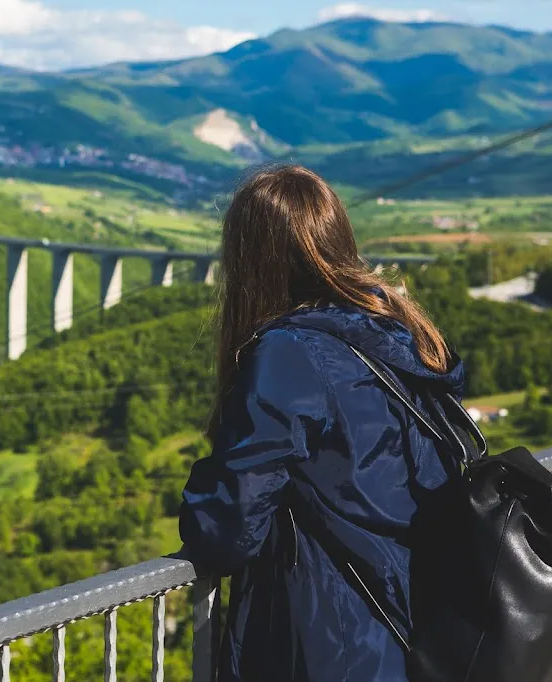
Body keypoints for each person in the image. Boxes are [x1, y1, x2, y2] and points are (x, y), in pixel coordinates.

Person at [178, 164, 465, 682]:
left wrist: (203, 484)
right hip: (419, 628)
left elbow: (228, 530)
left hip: (331, 643)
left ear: (250, 262)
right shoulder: (401, 339)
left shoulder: (289, 354)